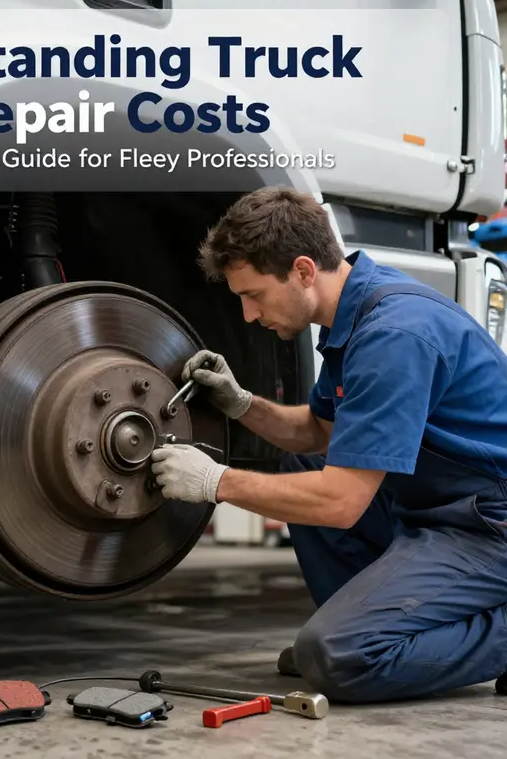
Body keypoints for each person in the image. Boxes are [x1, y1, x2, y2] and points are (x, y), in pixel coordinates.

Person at [150, 186, 507, 703]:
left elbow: (341, 503)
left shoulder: (394, 335)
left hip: (488, 525)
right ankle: (362, 627)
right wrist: (241, 403)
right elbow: (319, 432)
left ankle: (359, 642)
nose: (249, 316)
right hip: (439, 507)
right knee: (305, 461)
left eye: (254, 295)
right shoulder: (355, 313)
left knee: (335, 658)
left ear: (302, 271)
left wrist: (214, 482)